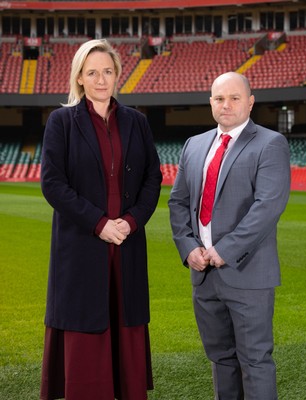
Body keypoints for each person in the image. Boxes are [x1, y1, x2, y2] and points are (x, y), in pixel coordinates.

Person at [40, 38, 162, 400]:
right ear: (79, 78)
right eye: (92, 72)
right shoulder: (61, 121)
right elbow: (53, 184)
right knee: (86, 321)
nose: (101, 79)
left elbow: (152, 178)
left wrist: (131, 221)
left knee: (125, 318)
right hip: (82, 243)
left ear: (117, 75)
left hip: (126, 242)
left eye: (107, 71)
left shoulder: (136, 122)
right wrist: (99, 223)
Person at [168, 71, 290, 400]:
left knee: (255, 361)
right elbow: (178, 202)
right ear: (210, 103)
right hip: (203, 274)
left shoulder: (270, 143)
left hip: (247, 274)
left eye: (235, 98)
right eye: (220, 98)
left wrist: (224, 250)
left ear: (250, 103)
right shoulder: (194, 146)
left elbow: (268, 207)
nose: (226, 105)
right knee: (221, 360)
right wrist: (188, 246)